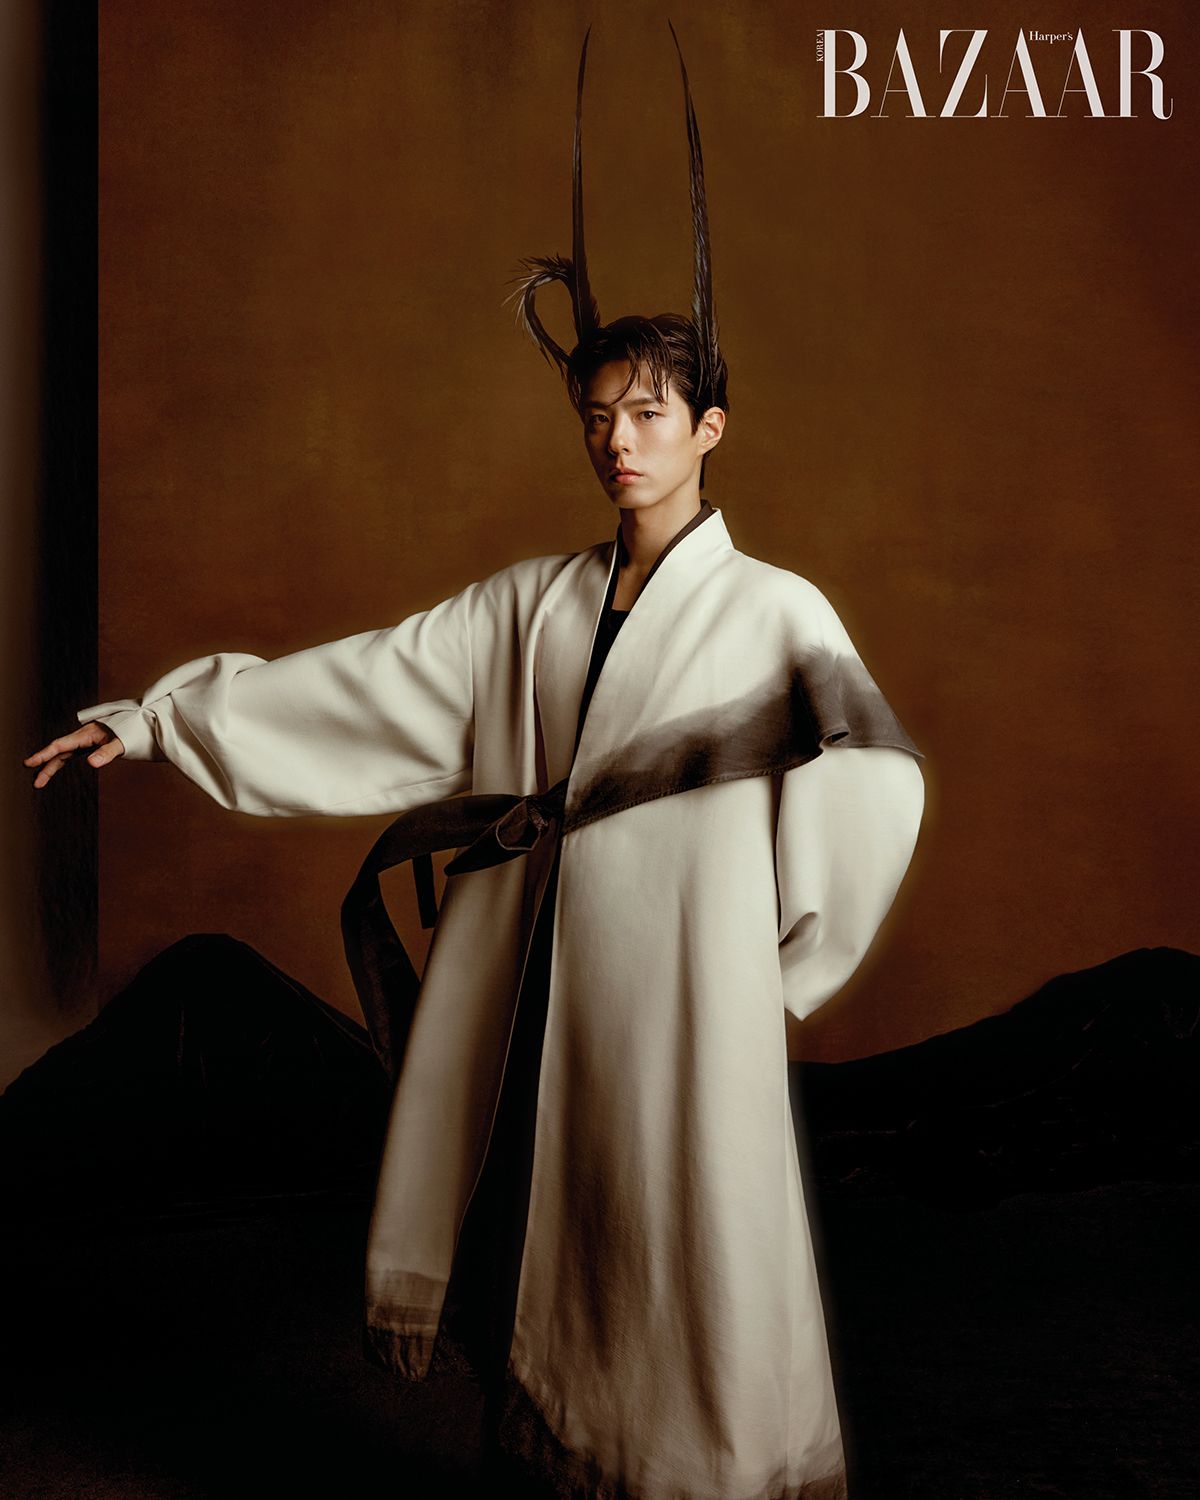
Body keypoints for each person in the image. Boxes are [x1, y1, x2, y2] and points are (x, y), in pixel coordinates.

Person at [26, 24, 925, 1500]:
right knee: (559, 1225)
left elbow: (874, 776)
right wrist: (162, 719)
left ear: (711, 429)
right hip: (546, 971)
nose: (619, 441)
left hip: (686, 980)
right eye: (599, 416)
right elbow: (370, 682)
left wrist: (779, 960)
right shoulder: (532, 606)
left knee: (699, 1229)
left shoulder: (778, 614)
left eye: (649, 415)